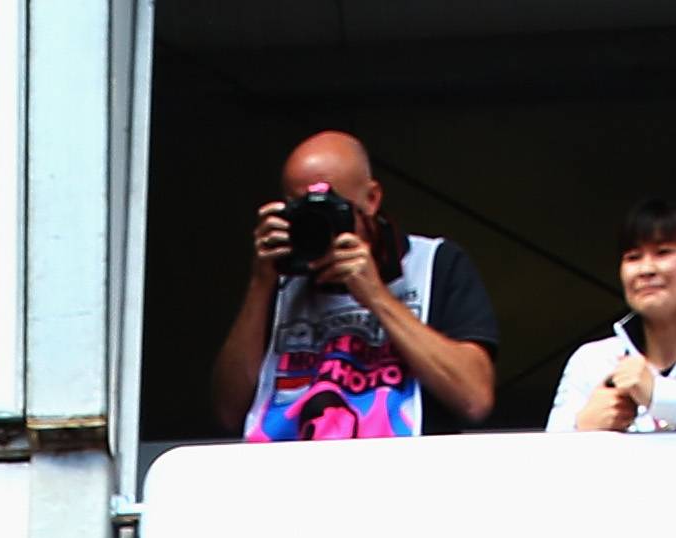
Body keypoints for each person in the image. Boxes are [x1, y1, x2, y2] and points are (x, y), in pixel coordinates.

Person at [212, 130, 498, 441]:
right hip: (285, 466)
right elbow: (229, 412)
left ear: (371, 199)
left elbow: (474, 399)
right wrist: (260, 282)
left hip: (400, 466)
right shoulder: (277, 279)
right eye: (302, 211)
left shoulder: (431, 263)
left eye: (331, 208)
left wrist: (376, 296)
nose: (318, 224)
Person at [551, 199, 676, 436]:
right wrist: (582, 427)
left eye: (663, 252)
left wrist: (658, 394)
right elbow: (546, 454)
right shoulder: (591, 360)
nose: (646, 269)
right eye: (633, 257)